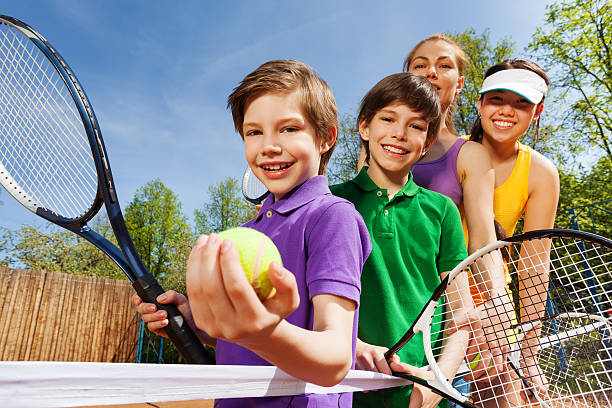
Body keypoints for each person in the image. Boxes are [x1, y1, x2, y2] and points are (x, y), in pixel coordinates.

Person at [133, 59, 372, 408]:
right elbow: (241, 340)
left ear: (326, 137)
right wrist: (196, 322)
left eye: (289, 128)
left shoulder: (333, 217)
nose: (269, 145)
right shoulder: (246, 232)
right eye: (254, 132)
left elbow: (335, 358)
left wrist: (263, 333)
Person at [331, 72, 473, 408]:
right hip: (341, 392)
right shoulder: (329, 203)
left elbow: (461, 314)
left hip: (421, 393)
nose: (399, 133)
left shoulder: (441, 210)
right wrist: (350, 348)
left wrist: (435, 384)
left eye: (416, 125)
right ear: (365, 126)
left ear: (426, 143)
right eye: (388, 118)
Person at [402, 34, 512, 400]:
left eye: (444, 65)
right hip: (383, 309)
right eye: (420, 65)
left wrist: (499, 306)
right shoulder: (375, 149)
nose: (431, 72)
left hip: (441, 321)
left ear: (460, 82)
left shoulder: (471, 155)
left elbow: (483, 241)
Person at [467, 59, 559, 406]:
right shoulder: (447, 151)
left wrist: (529, 352)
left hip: (494, 308)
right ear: (479, 103)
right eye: (497, 99)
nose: (507, 111)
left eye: (522, 102)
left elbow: (535, 263)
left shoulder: (541, 172)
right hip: (433, 302)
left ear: (537, 111)